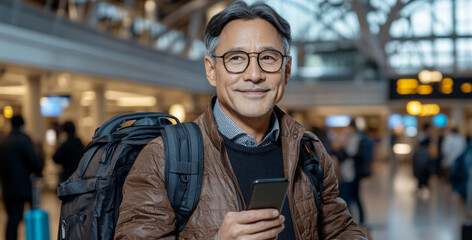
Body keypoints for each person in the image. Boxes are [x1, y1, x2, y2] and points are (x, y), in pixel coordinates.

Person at [115, 1, 367, 239]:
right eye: (236, 58)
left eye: (268, 58)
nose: (254, 74)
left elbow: (339, 228)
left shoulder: (308, 149)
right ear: (211, 70)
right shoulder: (163, 157)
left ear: (286, 71)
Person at [0, 115, 42, 240]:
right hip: (22, 186)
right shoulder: (24, 139)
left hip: (7, 186)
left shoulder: (3, 141)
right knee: (24, 216)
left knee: (12, 216)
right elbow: (33, 161)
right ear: (22, 125)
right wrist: (38, 171)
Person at [333, 120, 367, 224]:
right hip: (346, 173)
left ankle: (357, 219)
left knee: (352, 196)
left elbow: (351, 155)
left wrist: (343, 147)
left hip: (352, 173)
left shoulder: (356, 139)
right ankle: (353, 218)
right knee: (350, 196)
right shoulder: (351, 138)